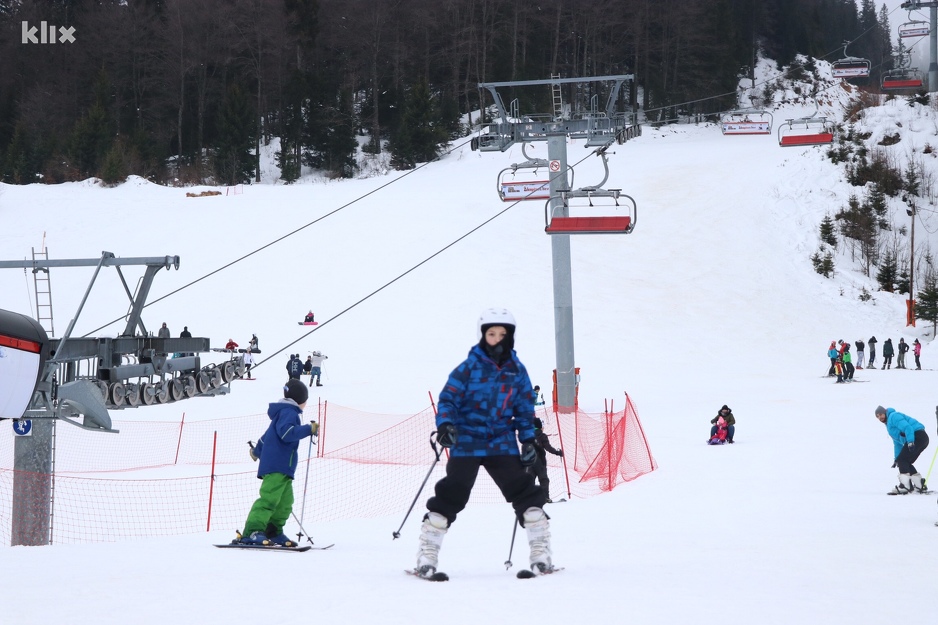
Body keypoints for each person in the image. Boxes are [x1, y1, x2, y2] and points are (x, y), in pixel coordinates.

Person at [415, 308, 553, 579]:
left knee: (525, 492)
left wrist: (527, 439)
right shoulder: (468, 368)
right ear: (482, 335)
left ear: (510, 337)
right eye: (491, 334)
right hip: (467, 439)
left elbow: (525, 408)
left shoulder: (517, 370)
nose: (497, 339)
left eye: (503, 334)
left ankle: (541, 552)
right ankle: (427, 554)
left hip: (501, 441)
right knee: (452, 493)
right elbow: (448, 399)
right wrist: (445, 425)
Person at [239, 379, 320, 545]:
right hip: (277, 466)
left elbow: (268, 435)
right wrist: (308, 429)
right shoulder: (289, 413)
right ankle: (253, 531)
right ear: (301, 400)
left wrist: (256, 451)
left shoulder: (284, 412)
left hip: (283, 468)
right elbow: (287, 433)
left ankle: (272, 531)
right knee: (269, 500)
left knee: (285, 503)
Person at [874, 406, 929, 495]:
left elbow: (908, 428)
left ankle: (905, 486)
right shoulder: (889, 425)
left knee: (903, 460)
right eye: (877, 416)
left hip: (917, 436)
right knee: (903, 461)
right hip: (920, 438)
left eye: (880, 414)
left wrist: (911, 441)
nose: (880, 417)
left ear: (885, 412)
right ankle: (919, 485)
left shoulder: (893, 416)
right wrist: (896, 459)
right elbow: (897, 443)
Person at [530, 417, 564, 502]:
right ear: (539, 426)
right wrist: (558, 452)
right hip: (540, 461)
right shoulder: (542, 436)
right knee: (543, 479)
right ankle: (545, 497)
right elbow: (548, 448)